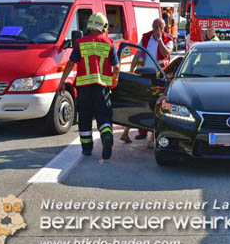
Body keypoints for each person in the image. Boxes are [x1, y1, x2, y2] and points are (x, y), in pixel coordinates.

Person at [56, 12, 120, 159]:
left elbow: (71, 63)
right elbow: (116, 67)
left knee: (84, 117)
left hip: (84, 88)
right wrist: (114, 81)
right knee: (103, 116)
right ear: (103, 27)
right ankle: (106, 137)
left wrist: (61, 82)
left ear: (89, 26)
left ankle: (87, 148)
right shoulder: (109, 43)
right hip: (102, 88)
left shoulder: (80, 43)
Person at [123, 18, 174, 146]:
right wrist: (131, 70)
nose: (157, 30)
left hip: (159, 77)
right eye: (155, 27)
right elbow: (138, 54)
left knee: (155, 105)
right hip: (144, 74)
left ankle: (151, 137)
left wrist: (160, 40)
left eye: (160, 27)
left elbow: (166, 53)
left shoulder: (168, 39)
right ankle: (129, 132)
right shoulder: (146, 38)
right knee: (140, 102)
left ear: (164, 28)